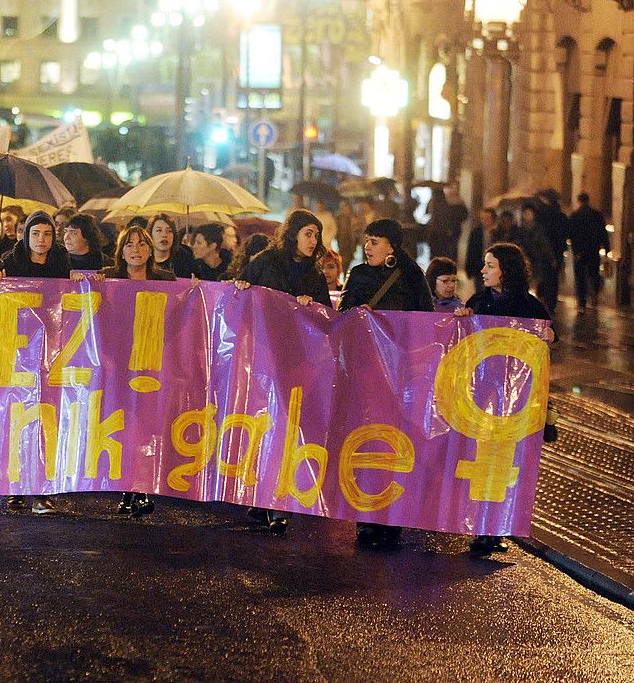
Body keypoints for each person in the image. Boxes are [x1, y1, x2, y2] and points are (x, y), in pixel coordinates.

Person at [231, 210, 331, 536]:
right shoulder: (265, 262)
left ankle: (280, 502)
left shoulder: (314, 277)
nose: (313, 241)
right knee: (263, 426)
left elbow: (326, 319)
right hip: (263, 358)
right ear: (293, 235)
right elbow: (238, 294)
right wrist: (242, 286)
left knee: (288, 430)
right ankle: (259, 497)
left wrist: (311, 307)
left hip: (296, 362)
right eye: (308, 233)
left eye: (316, 235)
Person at [455, 242, 556, 555]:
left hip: (514, 400)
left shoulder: (530, 307)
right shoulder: (479, 302)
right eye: (485, 265)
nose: (483, 271)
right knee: (480, 461)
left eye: (490, 265)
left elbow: (549, 337)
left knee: (504, 464)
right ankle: (480, 529)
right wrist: (463, 318)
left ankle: (495, 529)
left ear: (506, 271)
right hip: (481, 397)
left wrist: (549, 334)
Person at [339, 218, 433, 548]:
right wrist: (356, 312)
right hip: (368, 374)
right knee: (367, 441)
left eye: (375, 241)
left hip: (402, 377)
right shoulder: (359, 275)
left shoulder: (411, 277)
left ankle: (395, 516)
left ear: (392, 245)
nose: (368, 247)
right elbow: (342, 315)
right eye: (367, 241)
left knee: (398, 445)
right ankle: (367, 519)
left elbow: (428, 321)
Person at [92, 225, 177, 518]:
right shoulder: (109, 277)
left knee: (147, 426)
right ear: (121, 251)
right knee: (124, 425)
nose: (136, 249)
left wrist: (192, 292)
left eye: (142, 244)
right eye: (129, 244)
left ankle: (142, 488)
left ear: (150, 250)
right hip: (119, 362)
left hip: (153, 364)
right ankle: (127, 489)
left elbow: (179, 315)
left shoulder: (166, 279)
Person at [0, 210, 69, 515]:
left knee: (48, 417)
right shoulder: (10, 262)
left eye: (47, 234)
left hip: (52, 348)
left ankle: (44, 488)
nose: (42, 240)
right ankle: (16, 488)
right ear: (26, 236)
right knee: (17, 416)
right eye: (36, 234)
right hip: (17, 348)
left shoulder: (62, 262)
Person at [569, 192, 609, 311]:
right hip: (593, 250)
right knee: (594, 274)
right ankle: (594, 297)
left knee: (580, 277)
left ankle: (582, 302)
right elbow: (603, 233)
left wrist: (575, 251)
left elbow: (572, 235)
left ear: (579, 201)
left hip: (580, 253)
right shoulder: (597, 215)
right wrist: (607, 249)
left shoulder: (575, 215)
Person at [520, 203, 558, 312]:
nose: (527, 216)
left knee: (536, 283)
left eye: (529, 213)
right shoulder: (520, 229)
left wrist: (551, 258)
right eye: (525, 214)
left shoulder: (539, 229)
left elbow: (544, 244)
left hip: (536, 261)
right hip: (524, 260)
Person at [149, 214, 196, 279]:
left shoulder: (184, 258)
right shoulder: (144, 259)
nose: (164, 235)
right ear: (150, 235)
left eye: (169, 231)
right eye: (159, 230)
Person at [465, 208, 495, 294]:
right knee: (480, 291)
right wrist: (469, 268)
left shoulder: (497, 232)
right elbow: (470, 250)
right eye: (483, 218)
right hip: (479, 265)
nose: (484, 221)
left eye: (487, 218)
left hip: (493, 265)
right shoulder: (476, 232)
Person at [335, 200, 359, 266]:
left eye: (347, 208)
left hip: (351, 240)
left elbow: (356, 229)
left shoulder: (354, 217)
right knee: (343, 257)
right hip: (342, 240)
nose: (346, 210)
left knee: (349, 257)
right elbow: (337, 229)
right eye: (344, 208)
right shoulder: (339, 218)